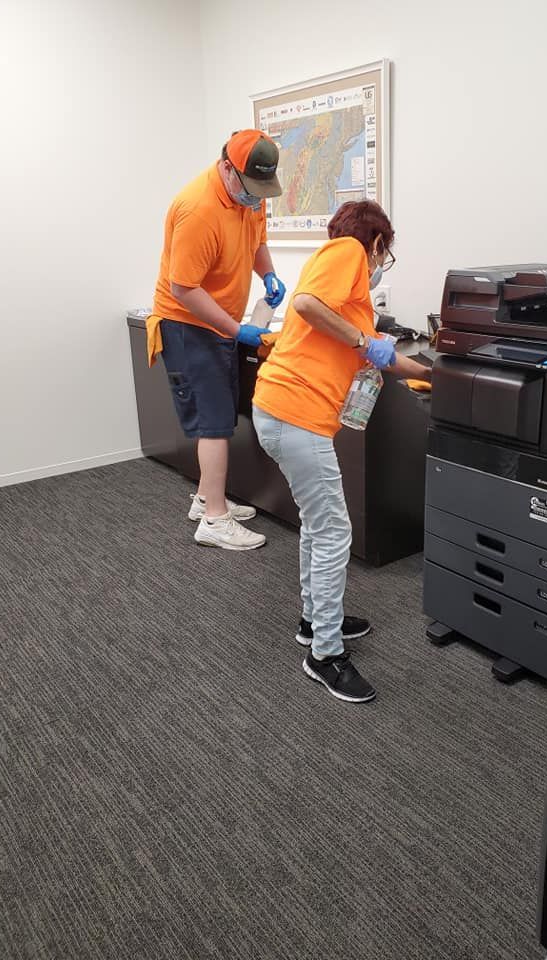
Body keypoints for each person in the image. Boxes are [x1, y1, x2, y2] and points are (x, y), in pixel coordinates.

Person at [252, 201, 432, 703]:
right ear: (376, 243)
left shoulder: (346, 292)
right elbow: (307, 304)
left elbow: (382, 354)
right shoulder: (349, 250)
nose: (379, 264)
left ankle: (315, 623)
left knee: (318, 523)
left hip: (282, 409)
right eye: (385, 254)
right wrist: (363, 339)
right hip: (296, 413)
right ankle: (325, 655)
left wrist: (437, 375)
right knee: (334, 530)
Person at [146, 129, 287, 551]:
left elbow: (256, 239)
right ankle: (214, 519)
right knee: (213, 422)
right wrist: (234, 329)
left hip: (218, 321)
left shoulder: (250, 194)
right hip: (186, 324)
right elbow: (183, 289)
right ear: (227, 168)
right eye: (251, 188)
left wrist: (268, 273)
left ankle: (209, 497)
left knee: (221, 414)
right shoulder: (198, 209)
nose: (256, 198)